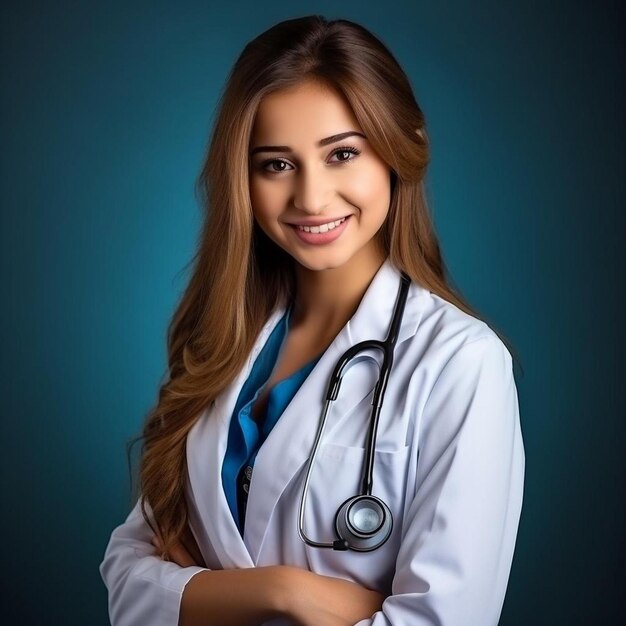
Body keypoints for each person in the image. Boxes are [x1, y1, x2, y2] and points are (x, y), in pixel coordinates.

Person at [99, 14, 525, 626]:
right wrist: (283, 593)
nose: (312, 198)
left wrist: (201, 597)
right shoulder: (223, 343)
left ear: (404, 148)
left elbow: (443, 619)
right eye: (276, 164)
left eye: (342, 154)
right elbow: (127, 581)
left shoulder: (461, 363)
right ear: (242, 179)